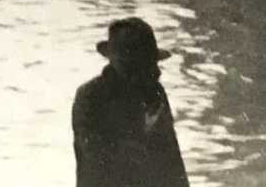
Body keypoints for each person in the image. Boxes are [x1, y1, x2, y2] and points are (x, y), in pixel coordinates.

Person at [72, 17, 190, 187]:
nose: (157, 72)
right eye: (148, 66)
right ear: (128, 67)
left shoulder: (154, 93)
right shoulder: (90, 96)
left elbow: (173, 160)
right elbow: (94, 156)